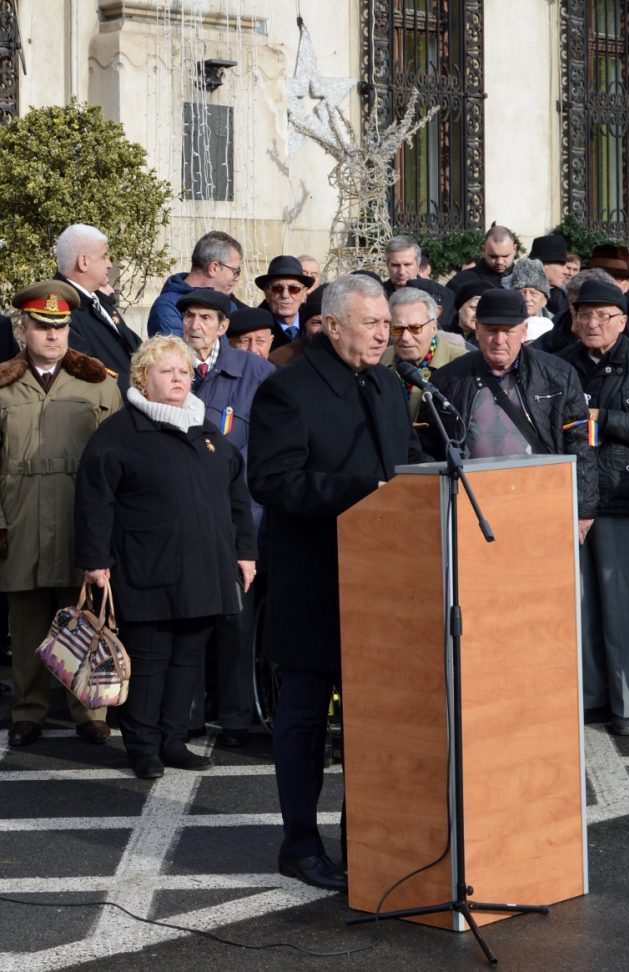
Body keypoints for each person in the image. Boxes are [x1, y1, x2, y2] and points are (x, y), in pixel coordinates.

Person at [247, 274, 423, 891]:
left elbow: (400, 470)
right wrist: (364, 495)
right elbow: (271, 481)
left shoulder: (386, 383)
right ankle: (299, 842)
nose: (386, 334)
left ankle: (365, 836)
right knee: (303, 720)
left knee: (376, 719)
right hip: (314, 583)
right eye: (374, 324)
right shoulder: (287, 390)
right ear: (332, 324)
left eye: (389, 324)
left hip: (384, 583)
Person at [74, 335, 257, 779]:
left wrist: (245, 553)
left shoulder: (204, 426)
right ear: (143, 378)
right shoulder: (118, 433)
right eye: (166, 372)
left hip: (205, 568)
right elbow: (94, 502)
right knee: (151, 662)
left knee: (187, 661)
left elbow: (236, 494)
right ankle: (143, 747)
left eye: (183, 372)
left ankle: (174, 741)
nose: (177, 379)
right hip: (146, 568)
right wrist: (95, 561)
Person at [1, 281, 124, 748]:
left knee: (85, 616)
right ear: (23, 329)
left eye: (61, 326)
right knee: (27, 619)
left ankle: (89, 709)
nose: (53, 335)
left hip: (80, 518)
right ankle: (28, 709)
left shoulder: (99, 384)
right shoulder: (3, 386)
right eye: (42, 327)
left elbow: (117, 461)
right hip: (22, 517)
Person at [556, 279, 629, 736]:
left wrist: (606, 419)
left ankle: (628, 705)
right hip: (569, 496)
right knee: (580, 602)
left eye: (602, 316)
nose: (591, 323)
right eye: (583, 314)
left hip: (624, 498)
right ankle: (589, 697)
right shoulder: (560, 364)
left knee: (623, 605)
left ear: (623, 322)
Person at [179, 288, 275, 746]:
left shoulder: (255, 372)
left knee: (237, 622)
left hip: (241, 519)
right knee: (191, 621)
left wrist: (251, 518)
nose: (195, 325)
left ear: (223, 326)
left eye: (205, 318)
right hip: (184, 521)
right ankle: (190, 713)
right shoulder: (168, 364)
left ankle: (236, 718)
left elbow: (268, 447)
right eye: (189, 317)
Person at [425, 288, 597, 532]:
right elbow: (429, 448)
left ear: (524, 331)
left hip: (542, 501)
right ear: (477, 329)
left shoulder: (558, 375)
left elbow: (580, 440)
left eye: (508, 331)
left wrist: (583, 508)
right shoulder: (449, 380)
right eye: (492, 330)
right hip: (472, 506)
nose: (499, 340)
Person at [54, 223, 142, 389]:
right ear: (83, 262)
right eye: (104, 257)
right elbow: (91, 372)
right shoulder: (61, 309)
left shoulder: (98, 299)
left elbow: (136, 346)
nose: (109, 264)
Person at [380, 286, 467, 420]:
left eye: (415, 328)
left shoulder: (463, 365)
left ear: (433, 328)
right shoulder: (378, 361)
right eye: (397, 329)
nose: (405, 337)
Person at [148, 231, 244, 337]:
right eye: (235, 271)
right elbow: (174, 351)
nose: (237, 279)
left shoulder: (229, 305)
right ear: (214, 268)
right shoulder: (168, 307)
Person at [256, 255, 314, 346]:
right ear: (266, 294)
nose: (285, 295)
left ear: (304, 294)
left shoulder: (316, 322)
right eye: (277, 289)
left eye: (294, 289)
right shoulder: (255, 328)